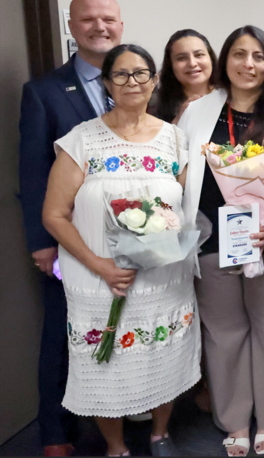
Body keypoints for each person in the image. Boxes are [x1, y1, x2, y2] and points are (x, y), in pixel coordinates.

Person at [41, 44, 200, 457]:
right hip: (99, 279)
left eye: (141, 73)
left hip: (163, 277)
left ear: (155, 80)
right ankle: (116, 446)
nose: (133, 82)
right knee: (104, 365)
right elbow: (55, 215)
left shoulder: (175, 140)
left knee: (162, 355)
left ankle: (160, 434)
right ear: (108, 83)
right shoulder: (82, 140)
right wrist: (102, 266)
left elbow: (186, 207)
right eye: (122, 75)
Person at [179, 25, 264, 457]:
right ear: (225, 60)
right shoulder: (198, 111)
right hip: (211, 239)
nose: (247, 64)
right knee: (223, 332)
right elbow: (180, 173)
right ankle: (234, 418)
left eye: (257, 56)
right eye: (238, 54)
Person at [18, 0, 123, 457]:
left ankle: (126, 415)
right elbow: (34, 169)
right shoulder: (42, 92)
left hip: (135, 236)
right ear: (70, 26)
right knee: (63, 332)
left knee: (126, 329)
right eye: (88, 20)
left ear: (121, 24)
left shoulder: (142, 82)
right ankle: (55, 433)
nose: (99, 27)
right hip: (70, 239)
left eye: (108, 19)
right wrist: (42, 244)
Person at [151, 29, 219, 124]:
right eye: (181, 58)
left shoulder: (231, 96)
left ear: (211, 58)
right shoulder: (154, 105)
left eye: (199, 55)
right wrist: (179, 120)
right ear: (171, 65)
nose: (192, 63)